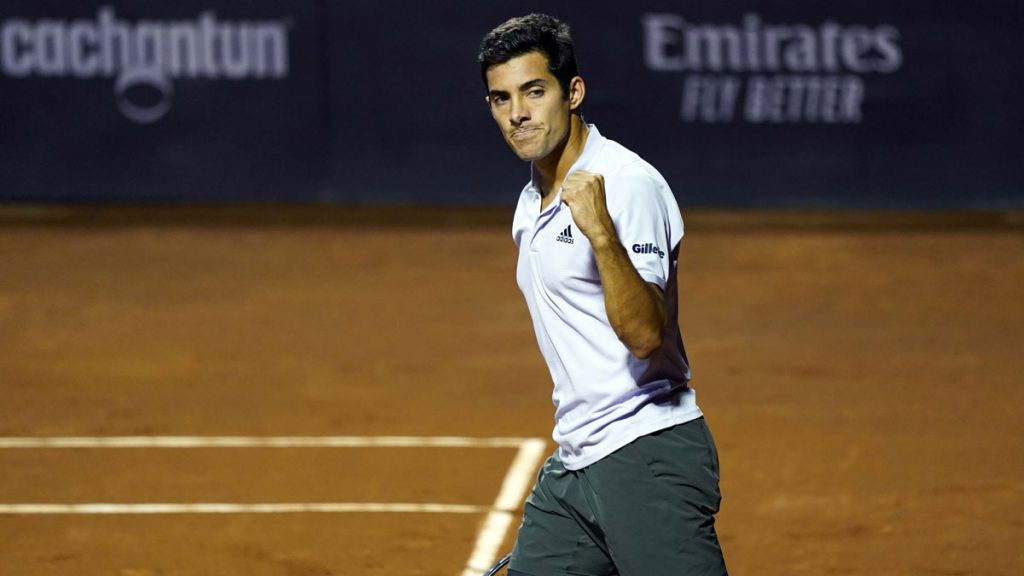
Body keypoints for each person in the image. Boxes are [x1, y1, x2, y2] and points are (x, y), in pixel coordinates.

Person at [477, 13, 728, 576]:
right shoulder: (531, 199)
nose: (517, 113)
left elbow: (645, 336)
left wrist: (600, 232)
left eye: (534, 91)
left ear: (573, 93)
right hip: (577, 462)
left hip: (646, 452)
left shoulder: (627, 184)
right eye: (501, 98)